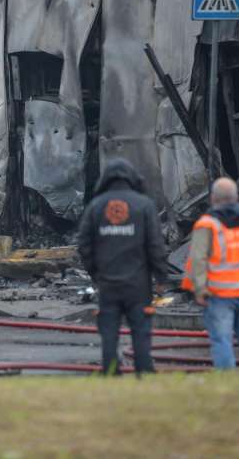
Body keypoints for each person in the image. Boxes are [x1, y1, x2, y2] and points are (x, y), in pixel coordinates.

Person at [77, 158, 168, 376]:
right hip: (138, 284)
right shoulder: (144, 205)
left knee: (108, 330)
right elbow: (155, 245)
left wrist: (95, 273)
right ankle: (144, 371)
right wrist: (161, 278)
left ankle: (110, 371)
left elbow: (83, 244)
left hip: (108, 282)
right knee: (141, 329)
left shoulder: (95, 206)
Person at [181, 177, 239, 369]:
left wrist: (199, 289)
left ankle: (226, 379)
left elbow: (198, 260)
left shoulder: (207, 225)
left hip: (220, 295)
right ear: (236, 197)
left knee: (222, 339)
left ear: (213, 198)